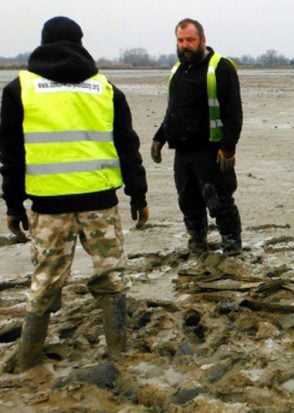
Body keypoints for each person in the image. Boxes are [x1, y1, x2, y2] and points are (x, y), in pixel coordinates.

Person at [0, 16, 149, 372]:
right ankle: (119, 353)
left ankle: (28, 361)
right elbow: (128, 147)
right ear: (80, 43)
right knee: (112, 278)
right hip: (100, 203)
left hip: (49, 207)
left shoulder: (18, 89)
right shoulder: (106, 88)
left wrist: (13, 205)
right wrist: (139, 196)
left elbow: (11, 154)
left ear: (44, 42)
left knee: (45, 282)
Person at [151, 18, 243, 256]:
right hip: (183, 151)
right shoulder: (178, 70)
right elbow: (174, 109)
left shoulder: (220, 68)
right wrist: (160, 137)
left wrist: (229, 147)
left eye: (190, 40)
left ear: (202, 40)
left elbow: (233, 112)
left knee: (219, 201)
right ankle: (197, 242)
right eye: (180, 40)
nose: (185, 45)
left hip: (212, 151)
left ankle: (231, 246)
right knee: (188, 201)